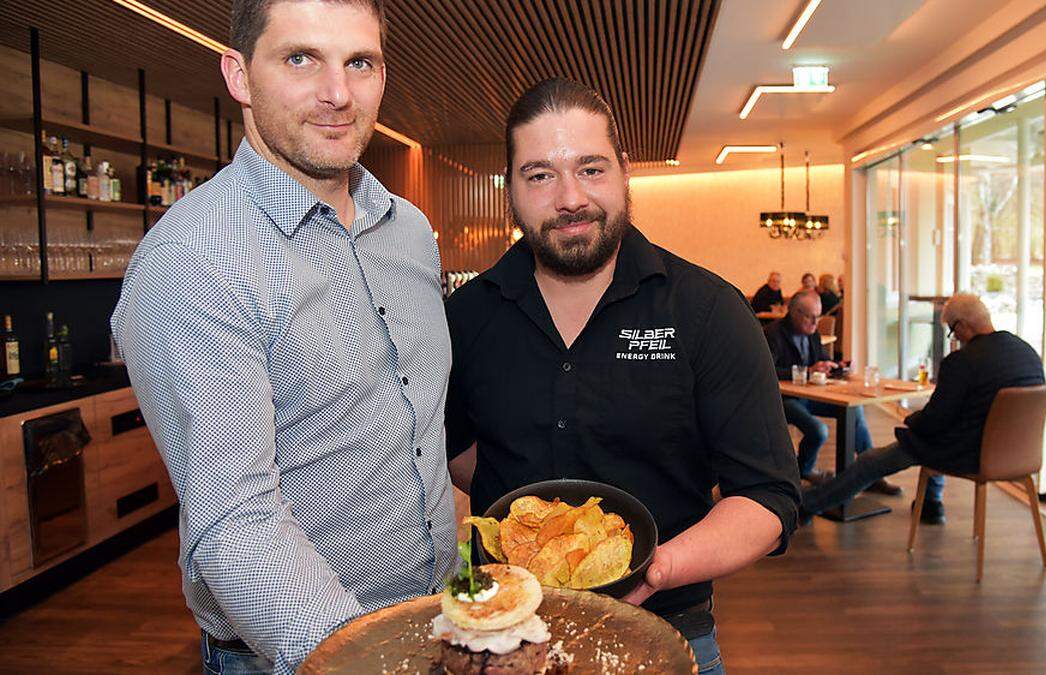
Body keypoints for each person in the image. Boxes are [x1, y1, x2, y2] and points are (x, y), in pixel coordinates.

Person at [111, 2, 457, 672]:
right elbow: (237, 520)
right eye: (301, 58)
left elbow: (415, 431)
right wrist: (363, 658)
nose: (338, 93)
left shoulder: (409, 229)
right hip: (304, 654)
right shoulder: (193, 260)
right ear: (238, 75)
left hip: (438, 624)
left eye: (361, 62)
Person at [443, 78, 803, 675]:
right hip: (501, 635)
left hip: (667, 633)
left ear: (624, 171)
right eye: (539, 175)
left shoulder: (708, 310)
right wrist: (542, 525)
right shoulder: (465, 317)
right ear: (510, 187)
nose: (570, 198)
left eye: (591, 168)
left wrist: (653, 567)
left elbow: (768, 498)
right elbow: (455, 447)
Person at [799, 294, 1046, 522]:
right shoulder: (1027, 352)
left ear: (961, 326)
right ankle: (931, 503)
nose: (955, 338)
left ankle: (807, 504)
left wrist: (911, 420)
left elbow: (936, 421)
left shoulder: (962, 362)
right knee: (935, 436)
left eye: (952, 332)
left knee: (872, 459)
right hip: (1016, 455)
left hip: (968, 453)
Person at [764, 292, 900, 495]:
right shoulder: (773, 334)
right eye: (810, 316)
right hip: (785, 399)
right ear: (794, 312)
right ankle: (802, 473)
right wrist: (807, 370)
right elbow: (767, 370)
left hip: (812, 395)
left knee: (856, 412)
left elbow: (821, 359)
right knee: (819, 431)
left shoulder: (812, 333)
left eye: (818, 316)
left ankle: (872, 474)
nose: (815, 322)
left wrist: (836, 366)